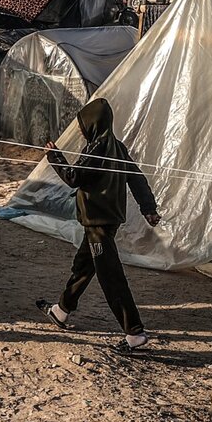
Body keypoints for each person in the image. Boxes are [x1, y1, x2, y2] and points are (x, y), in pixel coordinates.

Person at [34, 98, 161, 354]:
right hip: (105, 221)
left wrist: (54, 156)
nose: (80, 129)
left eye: (82, 124)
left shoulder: (97, 149)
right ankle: (61, 311)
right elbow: (136, 178)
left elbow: (73, 178)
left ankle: (134, 334)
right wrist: (149, 208)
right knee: (83, 266)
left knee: (111, 277)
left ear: (93, 123)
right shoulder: (116, 146)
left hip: (99, 224)